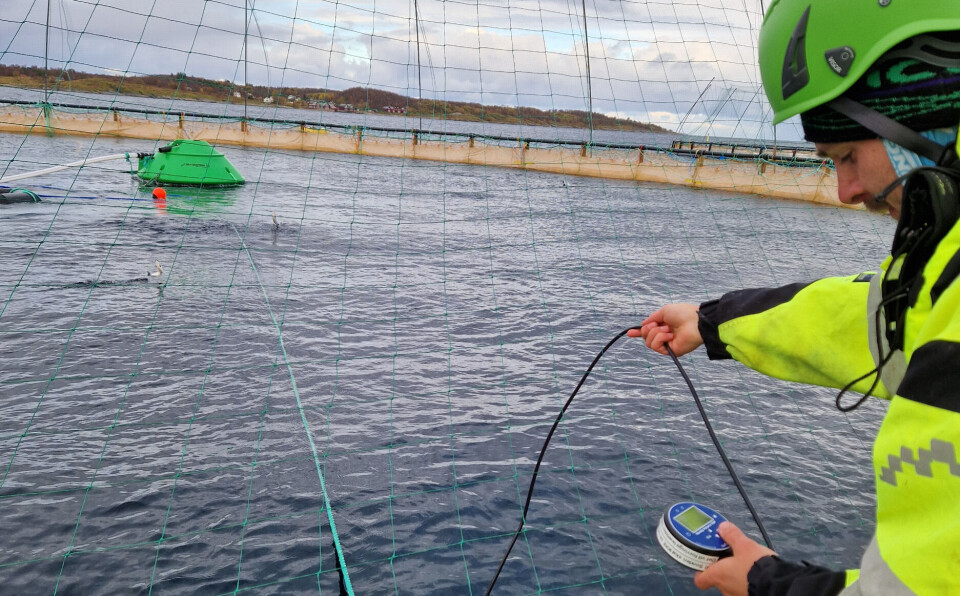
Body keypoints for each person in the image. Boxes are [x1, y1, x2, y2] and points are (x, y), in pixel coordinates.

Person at [632, 2, 960, 595]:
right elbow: (879, 320)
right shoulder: (946, 271)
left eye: (848, 156)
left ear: (921, 116)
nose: (846, 191)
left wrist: (771, 584)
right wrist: (712, 324)